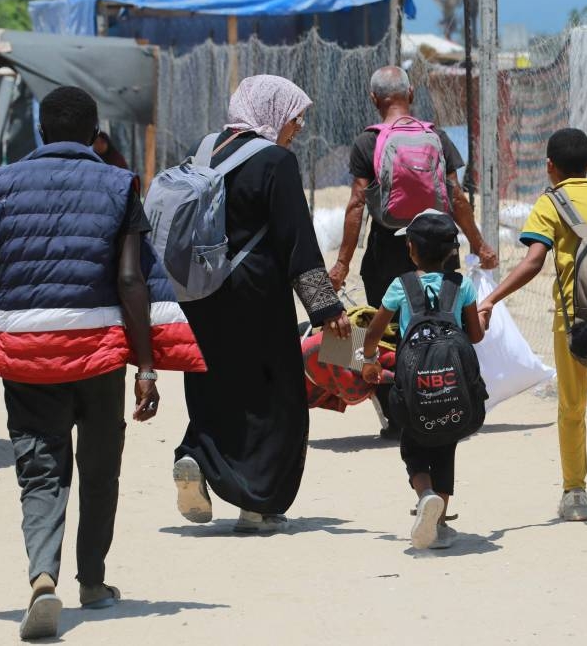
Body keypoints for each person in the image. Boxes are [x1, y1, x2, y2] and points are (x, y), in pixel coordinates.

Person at [0, 86, 204, 641]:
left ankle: (43, 576)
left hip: (25, 354)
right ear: (96, 134)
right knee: (98, 470)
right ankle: (92, 582)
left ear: (42, 132)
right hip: (97, 356)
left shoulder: (6, 181)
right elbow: (131, 280)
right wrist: (145, 367)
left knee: (40, 472)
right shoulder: (120, 183)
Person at [172, 75, 351, 533]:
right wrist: (326, 309)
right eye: (294, 115)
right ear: (271, 112)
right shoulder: (275, 161)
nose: (300, 125)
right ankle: (257, 503)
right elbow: (297, 244)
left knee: (213, 383)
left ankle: (196, 457)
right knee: (274, 395)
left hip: (201, 293)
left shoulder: (203, 149)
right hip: (256, 296)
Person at [477, 128, 587, 527]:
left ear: (549, 168)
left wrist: (490, 298)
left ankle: (575, 494)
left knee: (572, 404)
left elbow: (534, 261)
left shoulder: (551, 203)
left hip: (576, 320)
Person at [329, 65, 497, 436]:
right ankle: (448, 402)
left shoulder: (367, 142)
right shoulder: (435, 136)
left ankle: (398, 415)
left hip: (386, 251)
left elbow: (357, 203)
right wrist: (479, 243)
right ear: (413, 93)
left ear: (374, 99)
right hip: (439, 247)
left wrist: (342, 262)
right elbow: (456, 196)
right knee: (443, 325)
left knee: (386, 332)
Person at [360, 210, 485, 550]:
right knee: (445, 448)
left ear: (411, 248)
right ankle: (440, 525)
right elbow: (474, 336)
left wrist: (368, 360)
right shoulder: (462, 286)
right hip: (451, 391)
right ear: (450, 252)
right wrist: (479, 317)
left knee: (412, 446)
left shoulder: (401, 286)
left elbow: (372, 332)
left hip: (413, 393)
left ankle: (425, 493)